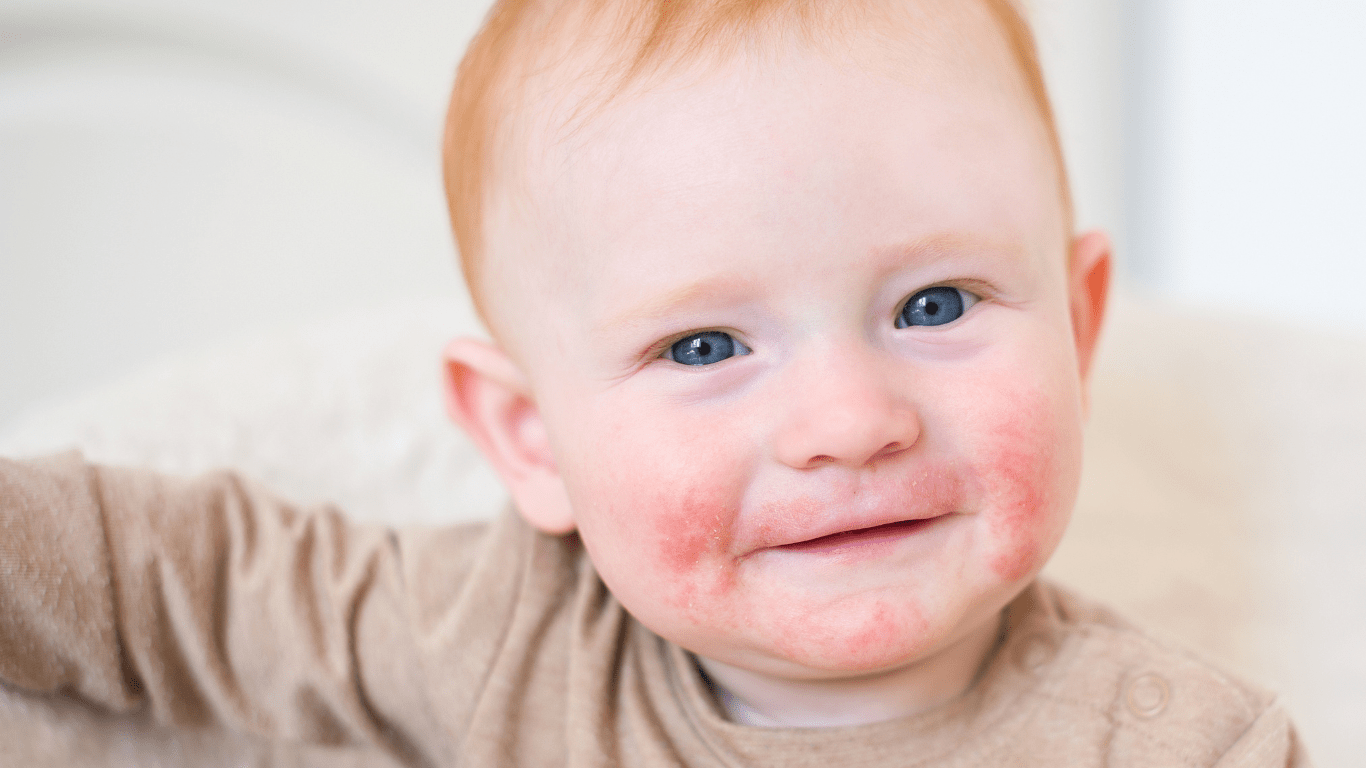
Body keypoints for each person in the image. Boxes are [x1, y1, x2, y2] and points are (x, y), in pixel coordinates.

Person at [0, 0, 1309, 765]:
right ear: (531, 442)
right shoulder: (509, 637)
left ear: (1077, 332)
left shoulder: (1181, 746)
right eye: (703, 348)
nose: (849, 423)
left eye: (933, 305)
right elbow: (183, 584)